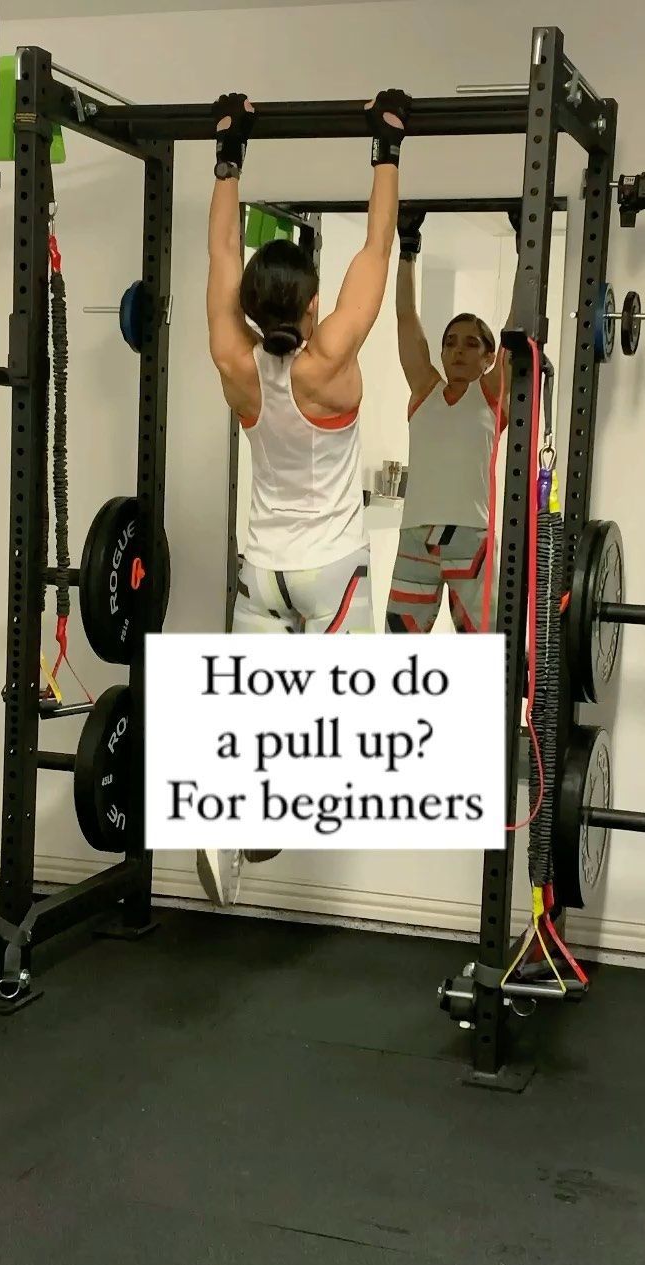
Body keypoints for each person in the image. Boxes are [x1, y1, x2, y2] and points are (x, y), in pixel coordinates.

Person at [197, 87, 411, 907]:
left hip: (263, 572)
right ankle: (268, 809)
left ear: (250, 308)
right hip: (330, 572)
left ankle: (240, 815)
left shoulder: (234, 360)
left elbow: (221, 255)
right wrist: (385, 143)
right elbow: (379, 248)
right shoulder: (330, 364)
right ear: (314, 301)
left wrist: (230, 147)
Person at [385, 207, 518, 636]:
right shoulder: (424, 391)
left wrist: (525, 248)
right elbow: (406, 318)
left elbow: (518, 329)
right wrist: (407, 248)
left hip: (470, 539)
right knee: (399, 648)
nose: (458, 351)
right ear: (441, 353)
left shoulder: (490, 394)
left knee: (481, 649)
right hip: (415, 535)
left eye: (471, 343)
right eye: (450, 343)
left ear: (487, 357)